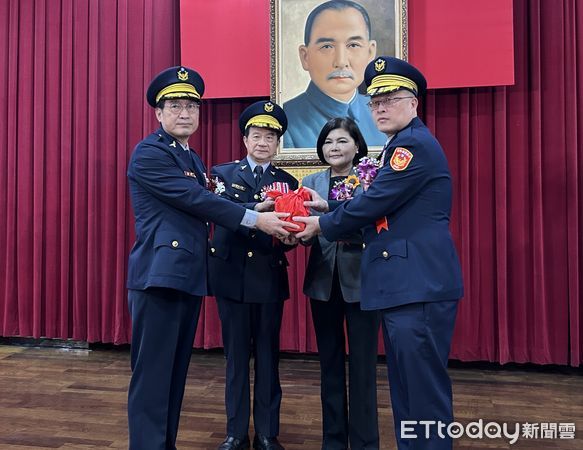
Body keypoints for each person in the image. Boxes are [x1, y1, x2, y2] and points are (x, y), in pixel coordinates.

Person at [295, 56, 464, 450]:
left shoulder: (411, 148)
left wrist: (321, 224)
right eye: (375, 101)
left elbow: (375, 204)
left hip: (417, 286)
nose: (381, 107)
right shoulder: (399, 146)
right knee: (407, 391)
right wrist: (329, 209)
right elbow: (381, 209)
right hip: (406, 287)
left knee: (422, 394)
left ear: (414, 103)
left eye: (391, 98)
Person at [126, 67, 295, 450]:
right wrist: (257, 218)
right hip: (159, 277)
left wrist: (259, 206)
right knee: (153, 378)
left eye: (191, 106)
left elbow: (211, 203)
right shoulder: (150, 152)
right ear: (158, 112)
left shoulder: (191, 157)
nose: (185, 113)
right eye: (175, 105)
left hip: (184, 276)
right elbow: (196, 200)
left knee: (172, 376)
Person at [208, 100, 298, 450]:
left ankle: (266, 432)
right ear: (244, 139)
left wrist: (291, 237)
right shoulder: (222, 174)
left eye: (270, 137)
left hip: (269, 279)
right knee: (235, 359)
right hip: (231, 277)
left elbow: (289, 232)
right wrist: (254, 211)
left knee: (267, 358)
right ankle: (235, 432)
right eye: (256, 135)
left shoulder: (287, 182)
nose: (262, 142)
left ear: (278, 144)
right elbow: (219, 215)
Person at [301, 117, 380, 450]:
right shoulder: (310, 182)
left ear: (357, 146)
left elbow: (371, 226)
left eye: (342, 141)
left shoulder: (370, 181)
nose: (334, 148)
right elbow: (307, 232)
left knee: (362, 368)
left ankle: (364, 442)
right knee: (329, 365)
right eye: (329, 142)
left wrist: (328, 222)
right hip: (322, 284)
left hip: (361, 282)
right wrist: (294, 233)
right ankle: (332, 440)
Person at [283, 0, 386, 148]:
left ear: (370, 53)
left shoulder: (382, 113)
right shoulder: (287, 120)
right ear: (305, 57)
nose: (341, 61)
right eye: (327, 46)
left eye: (353, 45)